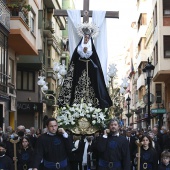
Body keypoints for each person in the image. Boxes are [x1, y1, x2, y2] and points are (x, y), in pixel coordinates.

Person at [58, 23, 112, 109]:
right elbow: (73, 64)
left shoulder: (92, 50)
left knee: (93, 91)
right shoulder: (78, 49)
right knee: (76, 90)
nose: (86, 39)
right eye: (85, 37)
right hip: (79, 74)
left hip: (91, 75)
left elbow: (96, 65)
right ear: (83, 38)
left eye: (88, 37)